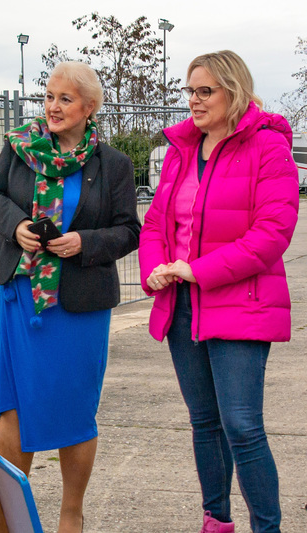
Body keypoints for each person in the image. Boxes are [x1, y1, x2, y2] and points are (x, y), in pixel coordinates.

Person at [139, 50, 299, 533]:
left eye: (204, 91)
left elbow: (272, 234)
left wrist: (197, 270)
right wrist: (156, 270)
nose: (193, 100)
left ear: (234, 91)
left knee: (242, 428)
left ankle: (266, 529)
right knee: (204, 425)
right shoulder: (180, 150)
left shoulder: (268, 148)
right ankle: (216, 522)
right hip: (183, 306)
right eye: (189, 90)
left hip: (241, 306)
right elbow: (155, 224)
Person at [0, 61, 140, 533]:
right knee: (14, 408)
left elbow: (129, 230)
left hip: (78, 306)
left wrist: (85, 242)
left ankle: (72, 513)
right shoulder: (19, 148)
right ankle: (14, 516)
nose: (52, 107)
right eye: (49, 96)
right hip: (20, 295)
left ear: (89, 108)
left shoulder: (113, 164)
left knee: (75, 408)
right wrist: (18, 226)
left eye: (64, 99)